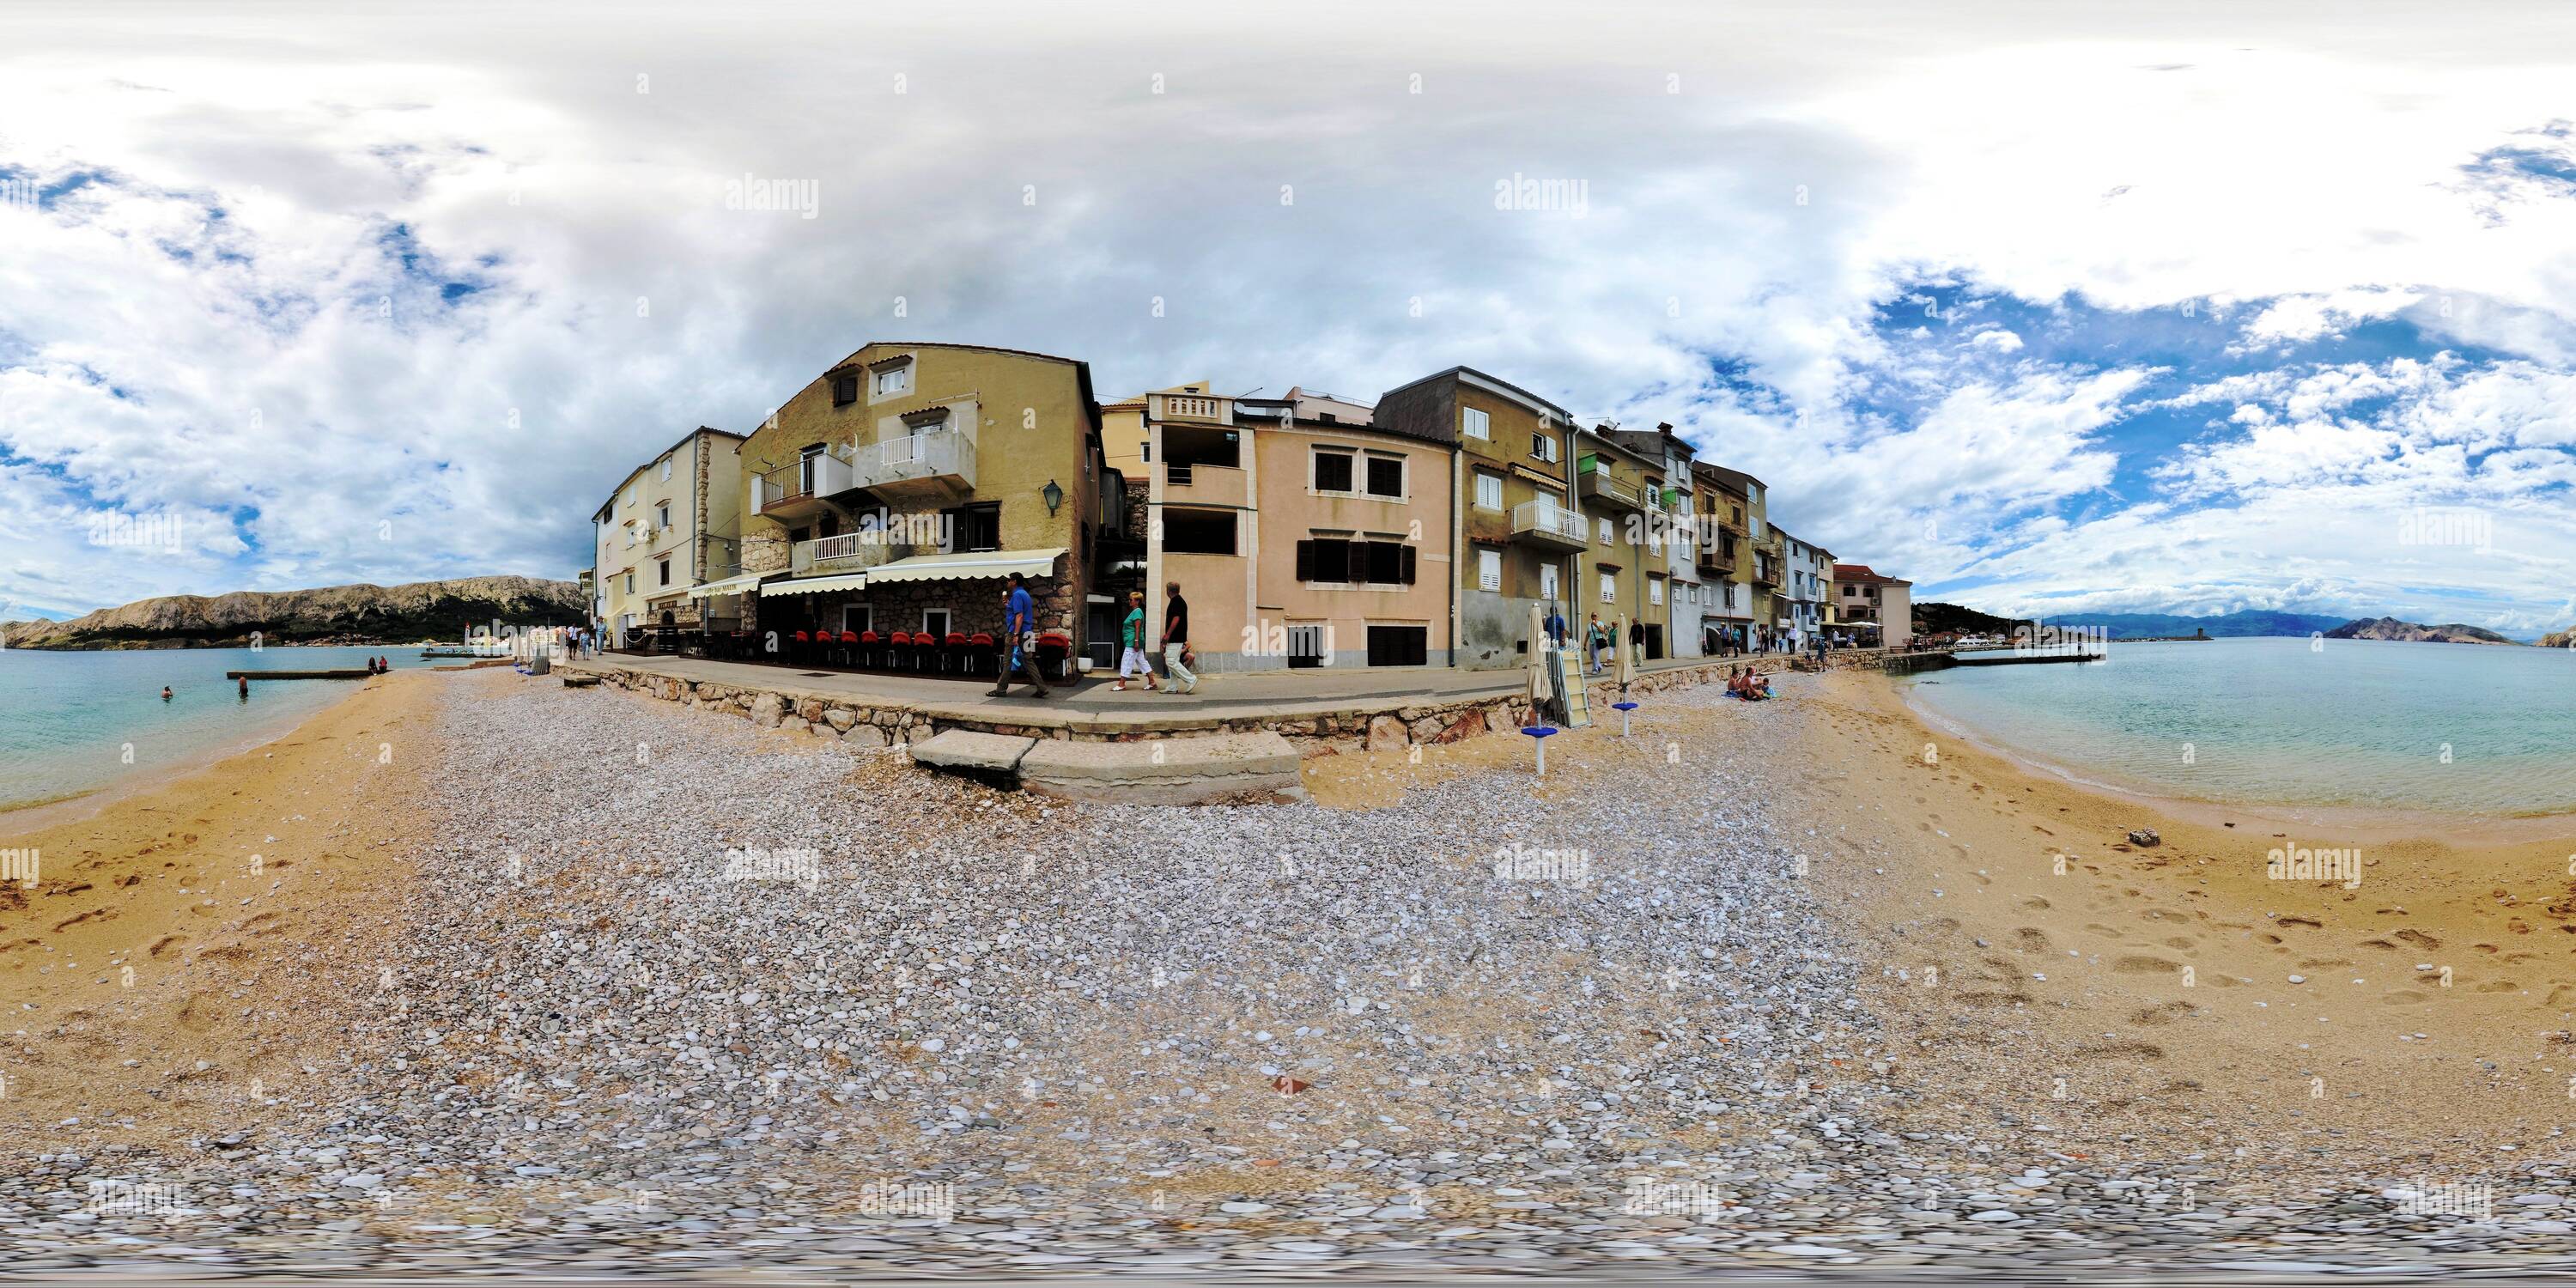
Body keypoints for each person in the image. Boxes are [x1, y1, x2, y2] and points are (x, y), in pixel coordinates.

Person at [986, 572, 1051, 699]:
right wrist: (1007, 605)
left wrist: (1015, 634)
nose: (1007, 582)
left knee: (1008, 661)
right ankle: (1042, 688)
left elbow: (1019, 616)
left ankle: (1000, 689)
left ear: (1014, 581)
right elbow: (1019, 612)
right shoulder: (1025, 595)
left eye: (1009, 580)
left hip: (1017, 632)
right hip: (1028, 632)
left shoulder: (1017, 595)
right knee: (1029, 660)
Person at [1114, 590, 1157, 691]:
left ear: (1137, 601)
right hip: (1133, 641)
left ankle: (1121, 683)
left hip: (1133, 642)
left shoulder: (1137, 611)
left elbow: (1137, 627)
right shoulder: (1135, 611)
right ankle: (1152, 682)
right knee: (1142, 661)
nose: (1129, 601)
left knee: (1126, 661)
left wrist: (1136, 641)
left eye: (1131, 600)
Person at [1161, 581, 1199, 696]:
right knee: (1174, 661)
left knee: (1171, 661)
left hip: (1175, 637)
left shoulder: (1176, 601)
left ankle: (1191, 679)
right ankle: (1173, 687)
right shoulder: (1178, 601)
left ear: (1169, 591)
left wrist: (1168, 634)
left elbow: (1176, 619)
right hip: (1178, 636)